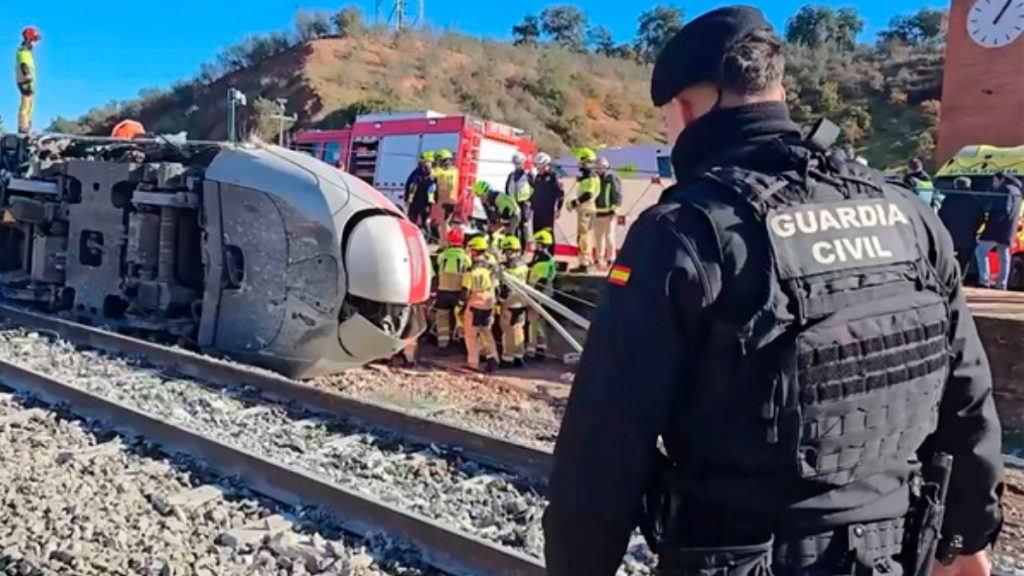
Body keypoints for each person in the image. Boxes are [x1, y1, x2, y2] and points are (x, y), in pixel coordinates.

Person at [543, 7, 1004, 576]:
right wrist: (964, 539)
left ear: (686, 110)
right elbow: (966, 397)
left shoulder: (683, 233)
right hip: (894, 552)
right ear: (777, 90)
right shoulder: (909, 216)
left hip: (742, 556)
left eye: (666, 120)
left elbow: (604, 446)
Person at [974, 171, 1023, 290]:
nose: (993, 183)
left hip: (997, 229)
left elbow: (1002, 210)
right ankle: (1002, 283)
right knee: (1004, 256)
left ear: (1001, 180)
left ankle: (984, 280)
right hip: (1009, 230)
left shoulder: (1004, 190)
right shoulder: (1017, 191)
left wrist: (988, 227)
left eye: (995, 180)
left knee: (980, 250)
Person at [461, 236, 499, 373]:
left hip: (474, 305)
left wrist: (460, 305)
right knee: (487, 333)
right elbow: (497, 288)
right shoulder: (491, 269)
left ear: (475, 252)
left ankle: (473, 363)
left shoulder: (470, 271)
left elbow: (465, 291)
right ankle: (493, 358)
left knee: (471, 335)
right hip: (488, 304)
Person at [939, 176, 986, 277]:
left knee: (948, 258)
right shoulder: (975, 200)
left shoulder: (949, 198)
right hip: (968, 237)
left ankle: (948, 277)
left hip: (950, 236)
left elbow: (941, 216)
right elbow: (981, 218)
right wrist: (974, 229)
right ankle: (960, 279)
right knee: (964, 261)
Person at [433, 227, 471, 350]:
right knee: (460, 318)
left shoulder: (442, 256)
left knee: (442, 317)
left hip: (442, 291)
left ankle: (442, 344)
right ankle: (462, 343)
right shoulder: (465, 257)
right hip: (458, 292)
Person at [497, 236, 529, 368]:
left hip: (510, 302)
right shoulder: (524, 266)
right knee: (518, 329)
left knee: (508, 330)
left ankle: (507, 358)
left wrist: (500, 300)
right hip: (522, 301)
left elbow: (505, 288)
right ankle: (519, 356)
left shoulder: (507, 268)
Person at [526, 228, 557, 361]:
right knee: (538, 322)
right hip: (542, 294)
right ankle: (539, 347)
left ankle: (535, 350)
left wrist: (535, 297)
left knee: (534, 322)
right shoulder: (543, 259)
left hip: (539, 295)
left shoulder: (544, 261)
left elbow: (541, 281)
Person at [568, 148, 600, 272]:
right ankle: (587, 261)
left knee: (583, 236)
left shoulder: (590, 177)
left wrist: (575, 202)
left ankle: (585, 263)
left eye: (580, 161)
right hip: (587, 209)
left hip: (586, 209)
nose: (578, 164)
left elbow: (588, 194)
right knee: (586, 235)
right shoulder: (589, 177)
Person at [593, 157, 623, 270]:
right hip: (596, 213)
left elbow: (618, 195)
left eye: (602, 167)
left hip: (609, 214)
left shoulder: (612, 179)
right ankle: (598, 260)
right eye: (598, 167)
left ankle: (611, 259)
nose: (600, 169)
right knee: (598, 238)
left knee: (609, 237)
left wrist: (614, 210)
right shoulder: (594, 178)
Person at [531, 152, 566, 239]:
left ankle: (549, 251)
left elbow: (561, 193)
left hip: (548, 210)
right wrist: (531, 205)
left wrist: (558, 208)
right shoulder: (538, 177)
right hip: (537, 210)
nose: (538, 169)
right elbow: (535, 192)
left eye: (540, 166)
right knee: (536, 232)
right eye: (537, 166)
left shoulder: (554, 176)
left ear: (546, 164)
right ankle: (538, 250)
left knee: (547, 232)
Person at [506, 152, 536, 248]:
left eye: (519, 163)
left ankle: (524, 247)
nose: (517, 165)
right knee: (513, 225)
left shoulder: (528, 175)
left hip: (524, 203)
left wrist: (530, 200)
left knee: (523, 225)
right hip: (513, 203)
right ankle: (514, 245)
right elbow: (507, 188)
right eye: (515, 163)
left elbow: (535, 188)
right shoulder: (511, 175)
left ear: (523, 163)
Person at [431, 149, 459, 246]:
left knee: (444, 224)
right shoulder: (453, 171)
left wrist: (434, 167)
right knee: (443, 224)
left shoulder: (447, 172)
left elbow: (434, 174)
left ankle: (446, 243)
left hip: (447, 200)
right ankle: (444, 242)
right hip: (447, 201)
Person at [15, 27, 41, 135]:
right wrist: (27, 76)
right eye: (35, 40)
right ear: (29, 39)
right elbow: (23, 64)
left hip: (29, 82)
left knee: (30, 104)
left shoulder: (27, 52)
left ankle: (27, 126)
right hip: (25, 81)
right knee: (26, 104)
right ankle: (23, 127)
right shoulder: (23, 51)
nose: (36, 44)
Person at [405, 151, 436, 233]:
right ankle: (410, 233)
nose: (426, 165)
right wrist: (407, 198)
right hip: (415, 201)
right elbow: (409, 185)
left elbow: (435, 188)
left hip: (426, 202)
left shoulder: (433, 174)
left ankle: (427, 238)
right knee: (412, 219)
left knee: (425, 221)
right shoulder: (416, 173)